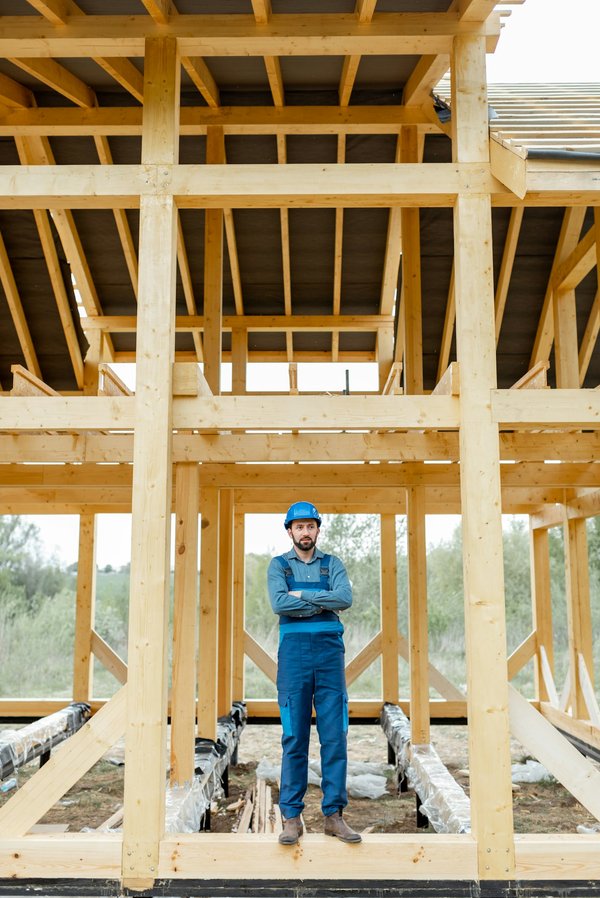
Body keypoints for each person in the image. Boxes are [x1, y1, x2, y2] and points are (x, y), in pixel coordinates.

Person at [267, 500, 362, 846]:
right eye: (299, 527)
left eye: (310, 526)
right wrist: (323, 598)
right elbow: (279, 603)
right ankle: (291, 818)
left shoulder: (332, 564)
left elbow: (345, 599)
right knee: (295, 738)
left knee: (335, 735)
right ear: (289, 531)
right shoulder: (278, 566)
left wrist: (303, 597)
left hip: (328, 656)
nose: (305, 532)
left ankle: (334, 816)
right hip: (294, 659)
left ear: (318, 530)